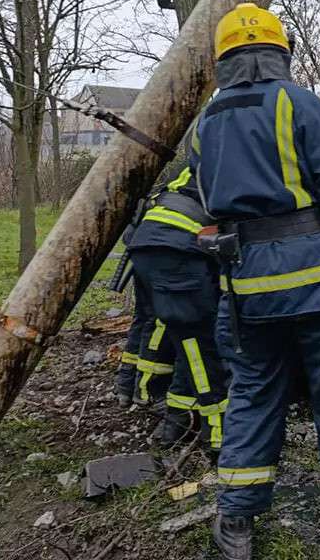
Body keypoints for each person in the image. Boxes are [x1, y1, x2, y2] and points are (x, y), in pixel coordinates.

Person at [190, 3, 320, 560]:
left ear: (224, 61)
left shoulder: (206, 124)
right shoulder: (300, 105)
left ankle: (234, 525)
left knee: (254, 394)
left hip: (244, 291)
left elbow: (208, 203)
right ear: (279, 54)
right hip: (316, 287)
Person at [124, 130, 230, 459]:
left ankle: (161, 404)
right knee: (201, 343)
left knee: (170, 327)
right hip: (177, 251)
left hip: (147, 244)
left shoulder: (196, 166)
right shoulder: (235, 170)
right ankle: (218, 434)